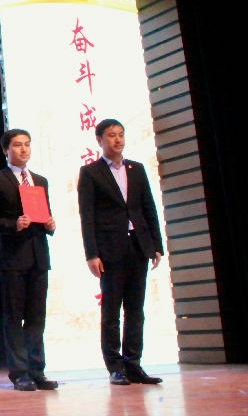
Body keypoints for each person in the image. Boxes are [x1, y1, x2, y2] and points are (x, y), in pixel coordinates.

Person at [78, 118, 164, 386]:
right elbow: (87, 216)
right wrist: (92, 254)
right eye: (111, 135)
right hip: (109, 249)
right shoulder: (91, 172)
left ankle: (133, 363)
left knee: (136, 310)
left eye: (121, 134)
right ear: (99, 140)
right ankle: (115, 366)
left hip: (138, 245)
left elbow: (148, 207)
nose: (118, 140)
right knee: (112, 311)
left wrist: (156, 245)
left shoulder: (136, 168)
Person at [0, 129, 58, 391]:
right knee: (14, 317)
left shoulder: (40, 181)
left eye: (27, 144)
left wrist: (50, 225)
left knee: (37, 317)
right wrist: (13, 224)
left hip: (39, 256)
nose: (23, 149)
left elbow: (45, 215)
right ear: (6, 150)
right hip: (12, 258)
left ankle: (37, 370)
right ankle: (20, 372)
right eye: (17, 145)